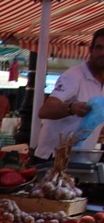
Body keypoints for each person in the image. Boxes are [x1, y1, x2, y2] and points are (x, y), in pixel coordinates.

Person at [34, 28, 104, 161]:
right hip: (53, 158)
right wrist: (71, 108)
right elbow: (45, 110)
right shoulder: (73, 76)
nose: (102, 53)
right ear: (90, 50)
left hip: (81, 158)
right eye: (99, 48)